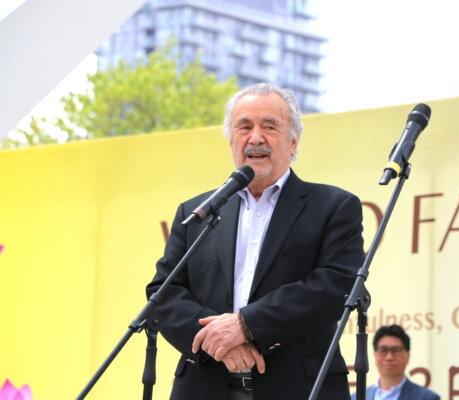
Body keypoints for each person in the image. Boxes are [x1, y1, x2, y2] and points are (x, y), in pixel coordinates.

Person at [146, 82, 365, 400]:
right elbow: (163, 294)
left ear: (293, 142)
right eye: (244, 126)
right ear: (232, 140)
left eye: (270, 126)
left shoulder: (333, 206)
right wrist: (216, 341)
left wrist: (245, 326)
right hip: (205, 384)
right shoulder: (199, 211)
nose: (256, 137)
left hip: (297, 387)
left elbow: (335, 285)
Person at [352, 324, 440, 400]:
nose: (389, 357)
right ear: (375, 354)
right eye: (384, 350)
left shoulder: (427, 398)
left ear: (408, 356)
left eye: (396, 350)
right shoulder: (355, 398)